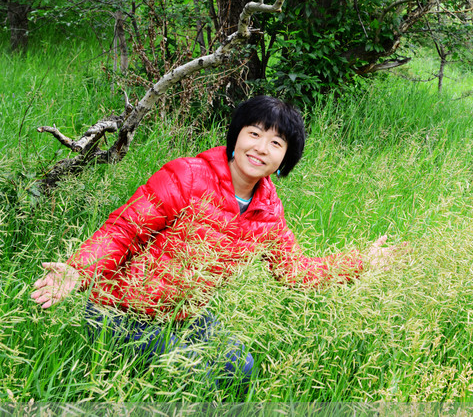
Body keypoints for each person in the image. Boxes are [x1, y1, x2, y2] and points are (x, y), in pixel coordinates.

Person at [30, 95, 400, 392]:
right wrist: (78, 270)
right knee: (196, 374)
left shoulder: (268, 209)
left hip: (182, 315)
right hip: (120, 312)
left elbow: (293, 271)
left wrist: (361, 262)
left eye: (276, 142)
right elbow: (124, 229)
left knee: (241, 366)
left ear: (286, 158)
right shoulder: (188, 176)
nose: (261, 148)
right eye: (254, 134)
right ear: (236, 136)